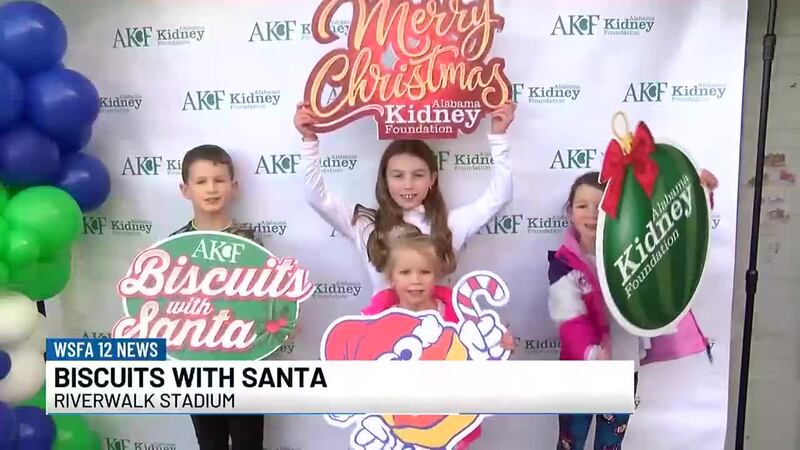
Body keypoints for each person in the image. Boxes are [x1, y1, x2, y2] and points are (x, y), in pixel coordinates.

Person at [547, 170, 719, 450]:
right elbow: (569, 318)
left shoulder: (637, 250)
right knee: (570, 443)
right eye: (582, 206)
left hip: (623, 370)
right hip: (577, 373)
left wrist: (701, 194)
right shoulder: (563, 264)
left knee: (610, 445)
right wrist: (592, 355)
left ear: (617, 212)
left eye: (601, 206)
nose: (592, 214)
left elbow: (679, 237)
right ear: (570, 212)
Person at [294, 100, 517, 295]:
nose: (408, 185)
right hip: (382, 336)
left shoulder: (451, 224)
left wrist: (499, 136)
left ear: (432, 179)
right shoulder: (365, 224)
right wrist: (309, 140)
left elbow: (499, 196)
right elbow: (316, 198)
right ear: (385, 179)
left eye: (418, 175)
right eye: (398, 176)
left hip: (440, 338)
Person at [363, 228, 516, 450]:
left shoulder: (460, 314)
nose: (415, 280)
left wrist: (500, 345)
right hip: (397, 431)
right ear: (391, 278)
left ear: (436, 275)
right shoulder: (375, 321)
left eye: (424, 272)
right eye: (405, 272)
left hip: (449, 427)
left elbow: (483, 357)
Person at [169, 144, 264, 450]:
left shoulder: (249, 240)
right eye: (201, 181)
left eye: (219, 180)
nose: (211, 189)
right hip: (197, 367)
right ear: (185, 190)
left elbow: (264, 298)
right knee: (210, 443)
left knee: (249, 443)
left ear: (233, 186)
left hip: (245, 364)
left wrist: (279, 319)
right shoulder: (175, 244)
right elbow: (168, 308)